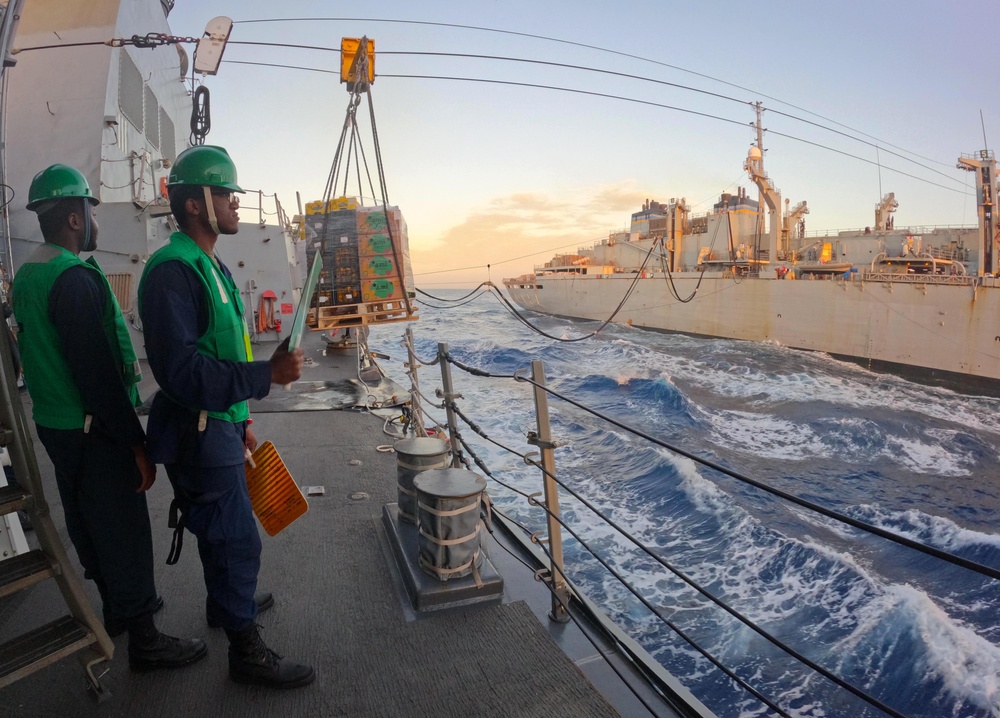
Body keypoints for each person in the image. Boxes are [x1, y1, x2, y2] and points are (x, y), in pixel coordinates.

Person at [11, 164, 206, 670]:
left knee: (87, 523)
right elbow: (96, 376)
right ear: (74, 217)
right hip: (93, 430)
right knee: (121, 530)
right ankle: (145, 638)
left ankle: (118, 611)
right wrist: (135, 444)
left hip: (57, 426)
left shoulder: (30, 272)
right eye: (90, 209)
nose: (94, 218)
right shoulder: (73, 279)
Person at [137, 145, 314, 689]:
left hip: (218, 425)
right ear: (195, 205)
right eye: (225, 192)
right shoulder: (172, 272)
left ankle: (224, 606)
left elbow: (222, 348)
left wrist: (241, 419)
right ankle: (245, 652)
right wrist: (269, 376)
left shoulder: (206, 263)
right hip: (196, 432)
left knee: (220, 534)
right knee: (236, 538)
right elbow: (184, 372)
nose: (237, 202)